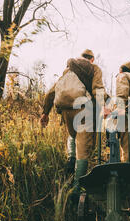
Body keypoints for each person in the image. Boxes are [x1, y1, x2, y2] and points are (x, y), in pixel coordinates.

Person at [40, 49, 108, 194]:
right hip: (84, 109)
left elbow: (51, 92)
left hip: (65, 110)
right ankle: (77, 189)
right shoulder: (94, 68)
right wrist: (104, 106)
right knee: (83, 149)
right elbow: (97, 89)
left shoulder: (68, 69)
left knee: (73, 135)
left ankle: (71, 158)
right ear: (92, 59)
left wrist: (45, 113)